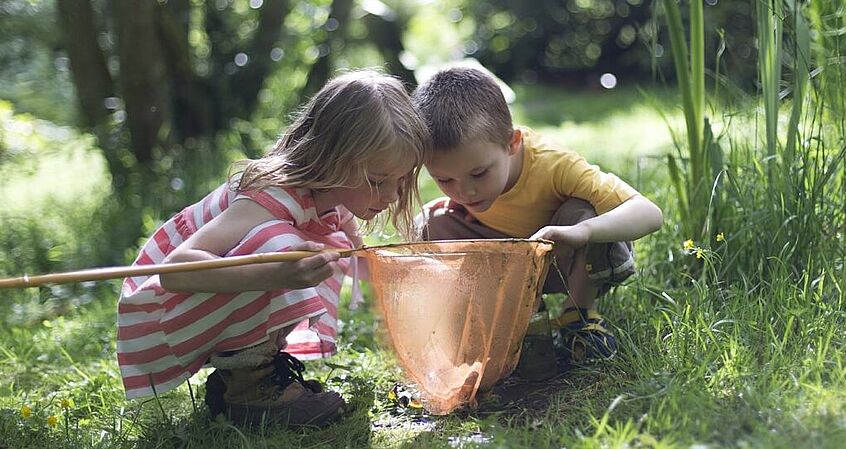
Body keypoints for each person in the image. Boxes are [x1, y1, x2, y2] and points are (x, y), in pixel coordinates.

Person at [116, 70, 431, 427]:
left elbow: (360, 256)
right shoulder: (271, 197)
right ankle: (251, 390)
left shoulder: (332, 193)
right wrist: (278, 272)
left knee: (323, 247)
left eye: (400, 181)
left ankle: (239, 379)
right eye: (377, 181)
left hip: (198, 306)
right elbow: (176, 270)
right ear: (333, 158)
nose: (391, 197)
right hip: (159, 312)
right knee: (285, 247)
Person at [411, 67, 662, 373]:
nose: (465, 191)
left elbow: (650, 213)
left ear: (512, 142)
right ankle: (512, 316)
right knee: (429, 222)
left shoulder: (553, 164)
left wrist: (582, 232)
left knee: (583, 210)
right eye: (445, 179)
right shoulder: (468, 184)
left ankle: (578, 318)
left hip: (565, 261)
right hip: (507, 262)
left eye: (479, 173)